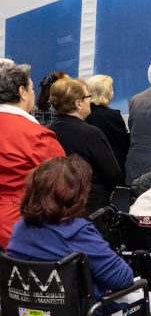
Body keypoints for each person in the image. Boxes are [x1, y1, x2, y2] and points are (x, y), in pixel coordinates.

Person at [6, 156, 151, 316]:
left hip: (28, 313)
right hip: (85, 313)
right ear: (74, 195)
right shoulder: (77, 232)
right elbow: (123, 279)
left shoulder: (19, 229)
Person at [0, 63, 65, 248]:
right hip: (17, 230)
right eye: (31, 87)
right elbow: (63, 186)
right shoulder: (36, 136)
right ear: (22, 91)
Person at [47, 78, 121, 214]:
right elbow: (112, 173)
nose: (90, 100)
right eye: (88, 96)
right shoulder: (92, 134)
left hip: (56, 203)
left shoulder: (47, 131)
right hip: (89, 206)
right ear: (78, 104)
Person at [86, 74, 130, 175]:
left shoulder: (84, 114)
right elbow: (123, 143)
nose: (113, 91)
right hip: (111, 167)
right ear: (104, 92)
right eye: (111, 88)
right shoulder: (112, 116)